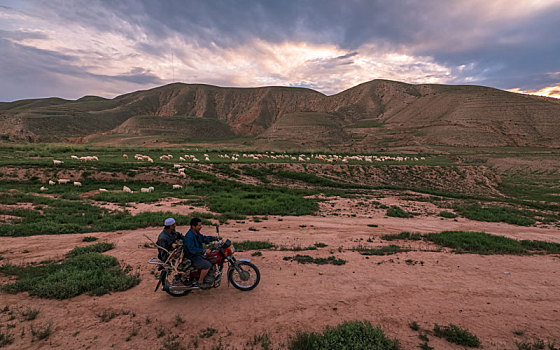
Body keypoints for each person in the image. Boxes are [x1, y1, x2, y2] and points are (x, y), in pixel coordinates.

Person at [184, 217, 218, 288]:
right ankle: (200, 282)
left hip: (197, 254)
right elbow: (192, 249)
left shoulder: (196, 233)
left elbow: (203, 238)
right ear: (193, 226)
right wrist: (204, 250)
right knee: (207, 265)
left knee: (211, 258)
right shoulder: (189, 236)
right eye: (199, 225)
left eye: (200, 225)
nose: (201, 227)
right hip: (192, 256)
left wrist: (214, 238)